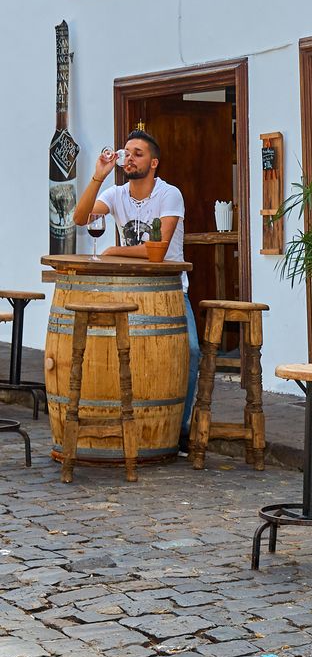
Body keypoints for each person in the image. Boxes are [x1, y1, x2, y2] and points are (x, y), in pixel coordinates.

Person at [73, 130, 200, 450]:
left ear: (153, 162)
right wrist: (97, 177)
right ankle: (129, 425)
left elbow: (157, 250)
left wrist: (113, 252)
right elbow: (79, 218)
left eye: (138, 153)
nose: (129, 157)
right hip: (127, 289)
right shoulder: (115, 194)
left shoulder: (169, 194)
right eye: (126, 152)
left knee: (191, 352)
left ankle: (178, 428)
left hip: (168, 290)